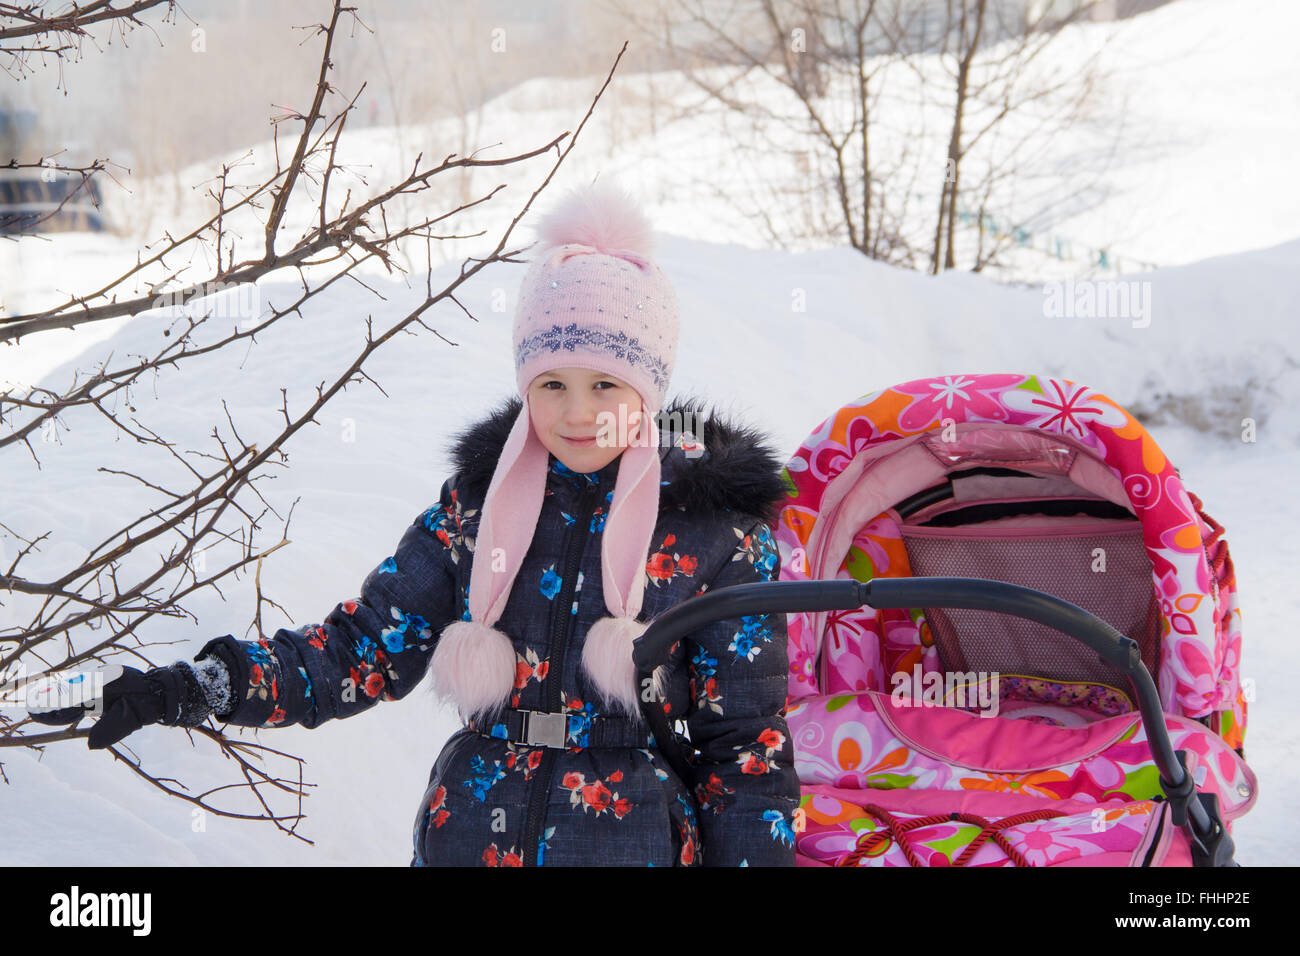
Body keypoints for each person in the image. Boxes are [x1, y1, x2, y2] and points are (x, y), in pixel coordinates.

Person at [33, 180, 799, 866]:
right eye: (552, 383)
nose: (576, 411)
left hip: (631, 841)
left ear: (648, 388)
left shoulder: (716, 535)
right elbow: (361, 650)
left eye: (606, 383)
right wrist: (193, 688)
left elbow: (746, 753)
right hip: (468, 832)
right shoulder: (475, 512)